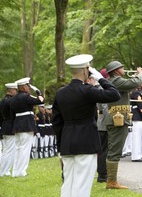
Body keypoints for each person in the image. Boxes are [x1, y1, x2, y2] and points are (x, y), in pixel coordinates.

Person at [52, 54, 120, 197]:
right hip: (86, 141)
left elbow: (57, 122)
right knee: (82, 183)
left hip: (67, 142)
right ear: (85, 71)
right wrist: (101, 78)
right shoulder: (88, 90)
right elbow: (114, 94)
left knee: (68, 182)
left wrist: (60, 144)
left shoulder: (60, 93)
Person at [104, 61, 142, 189]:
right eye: (122, 67)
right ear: (116, 71)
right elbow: (134, 83)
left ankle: (111, 180)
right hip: (118, 119)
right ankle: (111, 181)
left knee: (115, 149)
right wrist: (140, 74)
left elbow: (130, 85)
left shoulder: (117, 81)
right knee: (115, 150)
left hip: (120, 118)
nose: (124, 69)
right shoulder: (115, 81)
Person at [10, 77, 45, 177]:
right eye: (27, 86)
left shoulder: (13, 99)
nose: (28, 88)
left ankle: (15, 172)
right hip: (27, 126)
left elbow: (12, 115)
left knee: (18, 149)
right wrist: (38, 91)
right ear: (24, 87)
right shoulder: (26, 97)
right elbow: (41, 100)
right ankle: (22, 172)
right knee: (25, 149)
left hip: (17, 126)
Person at [0, 82, 18, 177]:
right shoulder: (11, 102)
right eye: (15, 90)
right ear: (11, 90)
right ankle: (4, 171)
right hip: (10, 127)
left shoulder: (3, 101)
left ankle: (4, 170)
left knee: (6, 150)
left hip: (5, 126)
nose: (16, 92)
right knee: (9, 151)